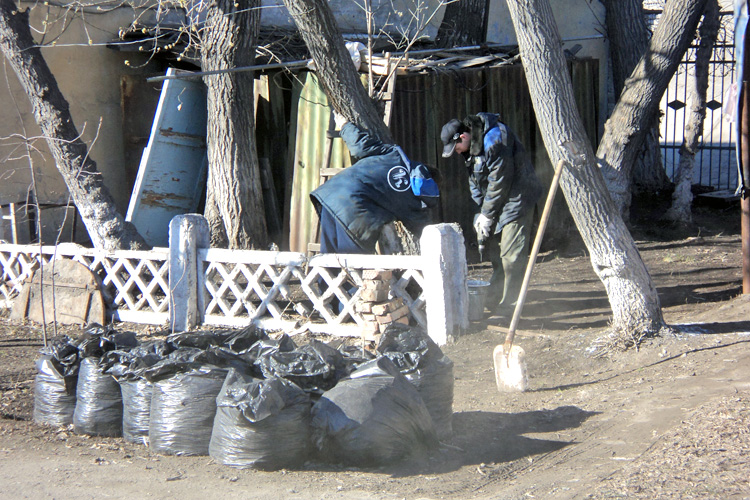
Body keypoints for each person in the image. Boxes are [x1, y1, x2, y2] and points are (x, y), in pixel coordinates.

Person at [441, 112, 542, 320]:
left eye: (456, 148)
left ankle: (509, 308)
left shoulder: (495, 139)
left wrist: (487, 214)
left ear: (463, 137)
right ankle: (494, 299)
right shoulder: (471, 147)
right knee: (496, 254)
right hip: (496, 202)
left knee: (511, 256)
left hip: (517, 199)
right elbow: (475, 181)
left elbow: (499, 181)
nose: (456, 152)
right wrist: (481, 211)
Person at [310, 112, 440, 255]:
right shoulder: (411, 202)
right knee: (351, 263)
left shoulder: (394, 154)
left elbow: (360, 147)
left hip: (330, 194)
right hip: (354, 210)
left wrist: (345, 126)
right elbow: (423, 229)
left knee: (328, 259)